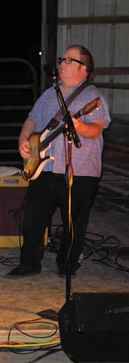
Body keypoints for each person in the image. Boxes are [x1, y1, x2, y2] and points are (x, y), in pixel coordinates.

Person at [8, 45, 111, 277]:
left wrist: (79, 125)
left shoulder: (93, 97)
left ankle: (67, 265)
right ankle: (29, 263)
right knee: (33, 217)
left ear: (84, 68)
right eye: (62, 59)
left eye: (68, 60)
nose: (61, 63)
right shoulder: (49, 94)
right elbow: (31, 121)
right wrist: (23, 140)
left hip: (80, 171)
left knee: (73, 222)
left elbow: (96, 130)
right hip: (45, 167)